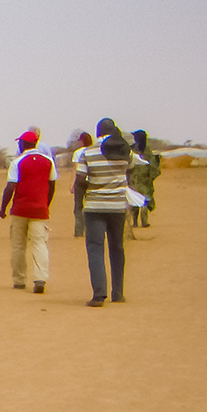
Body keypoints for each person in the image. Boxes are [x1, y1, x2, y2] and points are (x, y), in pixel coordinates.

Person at [74, 119, 137, 306]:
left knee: (95, 248)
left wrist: (83, 198)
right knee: (117, 248)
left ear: (98, 132)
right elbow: (131, 169)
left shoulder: (88, 152)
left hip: (94, 207)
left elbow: (80, 179)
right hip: (118, 206)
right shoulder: (126, 152)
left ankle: (99, 294)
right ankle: (118, 293)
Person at [0, 128, 56, 293]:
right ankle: (40, 279)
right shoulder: (48, 161)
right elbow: (52, 185)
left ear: (24, 144)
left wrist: (3, 208)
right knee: (39, 244)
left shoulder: (17, 162)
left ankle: (19, 280)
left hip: (20, 210)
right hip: (39, 210)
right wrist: (46, 204)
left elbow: (10, 187)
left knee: (18, 245)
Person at [128, 129, 160, 233]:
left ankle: (135, 222)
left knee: (134, 200)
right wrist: (151, 178)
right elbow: (154, 167)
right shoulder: (147, 151)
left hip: (133, 179)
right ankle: (144, 221)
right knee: (145, 201)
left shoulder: (131, 150)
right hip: (145, 180)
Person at [70, 132, 93, 239]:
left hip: (80, 180)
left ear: (82, 141)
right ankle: (91, 230)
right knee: (90, 206)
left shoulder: (78, 153)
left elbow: (75, 169)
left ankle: (79, 231)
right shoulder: (93, 151)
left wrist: (71, 184)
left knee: (78, 206)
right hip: (92, 180)